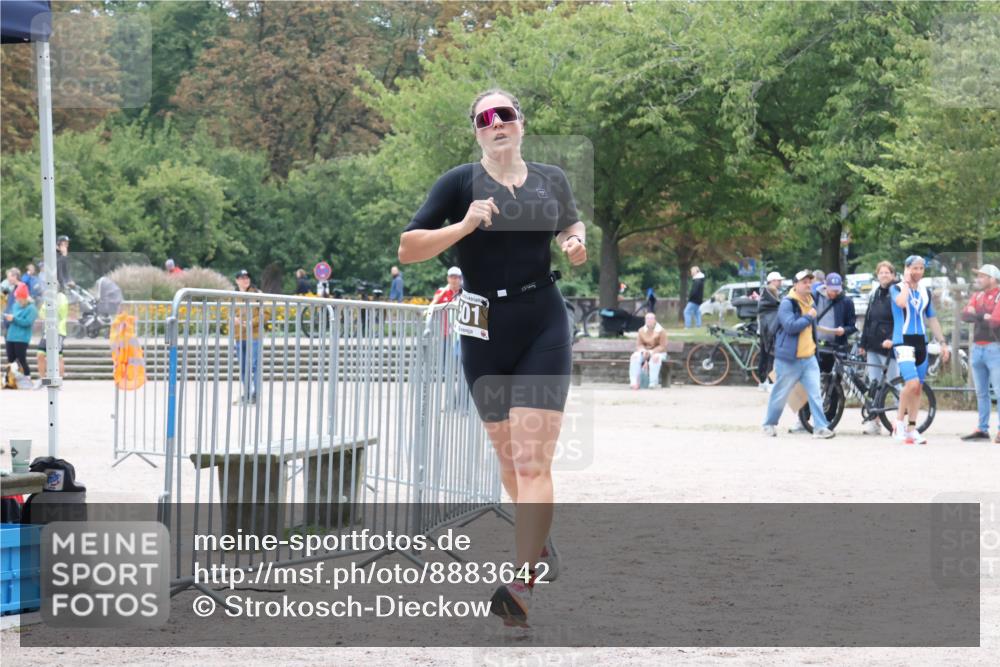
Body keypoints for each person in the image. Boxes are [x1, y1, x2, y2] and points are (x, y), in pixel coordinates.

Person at [398, 88, 587, 627]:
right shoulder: (458, 183)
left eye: (505, 114)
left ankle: (521, 583)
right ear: (477, 131)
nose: (496, 123)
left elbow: (570, 226)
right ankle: (539, 544)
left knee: (533, 461)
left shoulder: (551, 179)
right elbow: (408, 248)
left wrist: (575, 243)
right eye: (485, 118)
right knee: (508, 462)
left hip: (543, 324)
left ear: (521, 124)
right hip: (482, 333)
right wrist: (462, 226)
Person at [761, 270, 835, 439]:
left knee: (815, 393)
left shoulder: (811, 301)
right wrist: (809, 317)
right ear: (795, 284)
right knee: (780, 394)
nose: (808, 284)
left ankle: (820, 428)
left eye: (810, 281)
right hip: (789, 359)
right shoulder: (788, 303)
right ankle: (769, 424)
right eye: (804, 282)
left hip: (808, 358)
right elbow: (790, 326)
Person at [890, 255, 950, 445]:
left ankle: (912, 429)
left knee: (918, 389)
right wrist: (907, 283)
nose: (918, 272)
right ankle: (898, 422)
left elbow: (931, 318)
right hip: (903, 341)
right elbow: (900, 302)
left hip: (920, 343)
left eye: (921, 268)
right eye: (914, 268)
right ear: (907, 268)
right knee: (912, 383)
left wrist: (942, 342)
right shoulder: (897, 287)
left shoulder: (926, 292)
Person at [960, 264, 1000, 443]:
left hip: (995, 347)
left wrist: (977, 314)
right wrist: (983, 316)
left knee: (999, 391)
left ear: (992, 278)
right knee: (981, 392)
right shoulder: (978, 295)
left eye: (982, 276)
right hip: (977, 347)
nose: (979, 279)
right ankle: (982, 428)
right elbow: (965, 316)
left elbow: (996, 322)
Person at [859, 261, 900, 435]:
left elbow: (900, 319)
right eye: (881, 272)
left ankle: (900, 422)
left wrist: (893, 339)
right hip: (873, 345)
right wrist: (863, 343)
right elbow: (868, 319)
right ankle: (874, 421)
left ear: (892, 275)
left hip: (888, 345)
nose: (884, 275)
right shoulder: (875, 294)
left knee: (894, 384)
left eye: (887, 272)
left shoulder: (896, 292)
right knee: (874, 385)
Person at [813, 272, 857, 371]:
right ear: (825, 285)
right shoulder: (815, 297)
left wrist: (844, 330)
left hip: (836, 348)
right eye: (832, 290)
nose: (834, 293)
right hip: (816, 347)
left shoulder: (847, 302)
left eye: (837, 290)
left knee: (835, 381)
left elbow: (852, 326)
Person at [232, 269, 264, 405]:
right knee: (244, 367)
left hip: (254, 335)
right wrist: (232, 318)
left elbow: (266, 313)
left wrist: (252, 322)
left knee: (255, 366)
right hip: (239, 336)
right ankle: (248, 393)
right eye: (242, 278)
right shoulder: (233, 295)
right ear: (237, 280)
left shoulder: (257, 294)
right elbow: (228, 312)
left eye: (247, 277)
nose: (246, 280)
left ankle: (255, 394)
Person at [35, 289, 69, 387]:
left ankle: (58, 382)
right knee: (40, 354)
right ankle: (43, 381)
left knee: (58, 356)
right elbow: (42, 313)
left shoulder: (62, 297)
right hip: (47, 331)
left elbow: (60, 313)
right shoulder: (48, 298)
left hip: (59, 331)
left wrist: (51, 307)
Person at [756, 271, 784, 391]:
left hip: (764, 329)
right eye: (779, 280)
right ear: (772, 281)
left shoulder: (765, 293)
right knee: (770, 356)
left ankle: (763, 381)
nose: (781, 282)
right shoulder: (770, 293)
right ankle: (771, 382)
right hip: (769, 330)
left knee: (764, 355)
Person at [4, 283, 38, 379]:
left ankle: (27, 377)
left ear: (25, 298)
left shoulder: (32, 309)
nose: (18, 300)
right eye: (17, 298)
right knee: (11, 359)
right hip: (11, 336)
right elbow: (12, 316)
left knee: (21, 358)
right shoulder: (15, 305)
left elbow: (27, 322)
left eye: (20, 298)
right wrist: (9, 318)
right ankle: (10, 378)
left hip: (22, 338)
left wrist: (14, 319)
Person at [629, 312, 667, 389]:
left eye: (651, 318)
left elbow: (662, 346)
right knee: (634, 357)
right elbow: (639, 344)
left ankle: (652, 383)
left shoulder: (661, 331)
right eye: (647, 318)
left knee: (655, 358)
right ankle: (634, 382)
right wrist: (643, 351)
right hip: (644, 352)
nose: (649, 320)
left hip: (659, 352)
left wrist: (651, 352)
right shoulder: (641, 330)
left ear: (655, 320)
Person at [1, 268, 21, 339]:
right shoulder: (8, 289)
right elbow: (2, 298)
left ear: (15, 276)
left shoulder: (21, 288)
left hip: (15, 324)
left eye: (9, 276)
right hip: (8, 323)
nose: (8, 279)